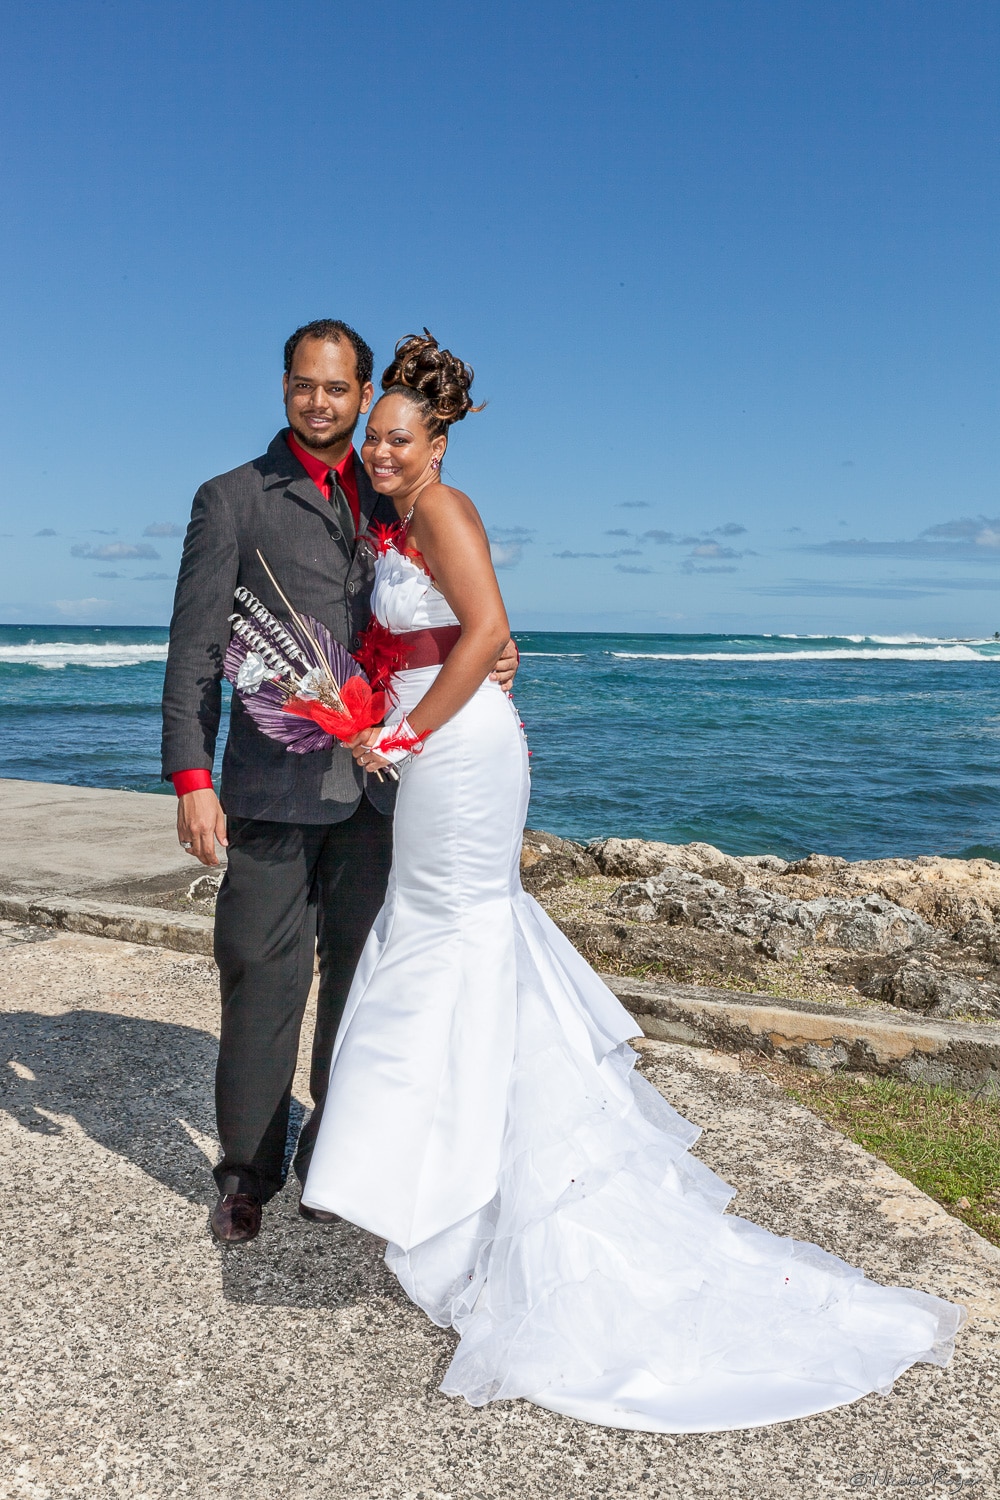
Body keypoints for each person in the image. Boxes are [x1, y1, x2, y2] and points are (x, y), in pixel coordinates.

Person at [301, 331, 965, 1432]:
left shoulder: (446, 511)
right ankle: (460, 1192)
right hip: (443, 747)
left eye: (397, 439)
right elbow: (448, 638)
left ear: (438, 442)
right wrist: (392, 710)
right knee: (453, 948)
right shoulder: (400, 518)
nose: (379, 452)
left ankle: (492, 1204)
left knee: (459, 945)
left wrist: (405, 738)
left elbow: (490, 635)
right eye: (373, 436)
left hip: (458, 758)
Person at [161, 318, 519, 1244]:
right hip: (272, 786)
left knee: (365, 980)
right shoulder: (231, 499)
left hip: (386, 793)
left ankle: (337, 1158)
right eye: (302, 386)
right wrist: (192, 776)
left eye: (338, 390)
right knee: (257, 971)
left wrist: (488, 650)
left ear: (365, 395)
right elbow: (196, 648)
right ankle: (247, 1170)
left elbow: (451, 607)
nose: (320, 403)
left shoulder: (396, 487)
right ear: (284, 388)